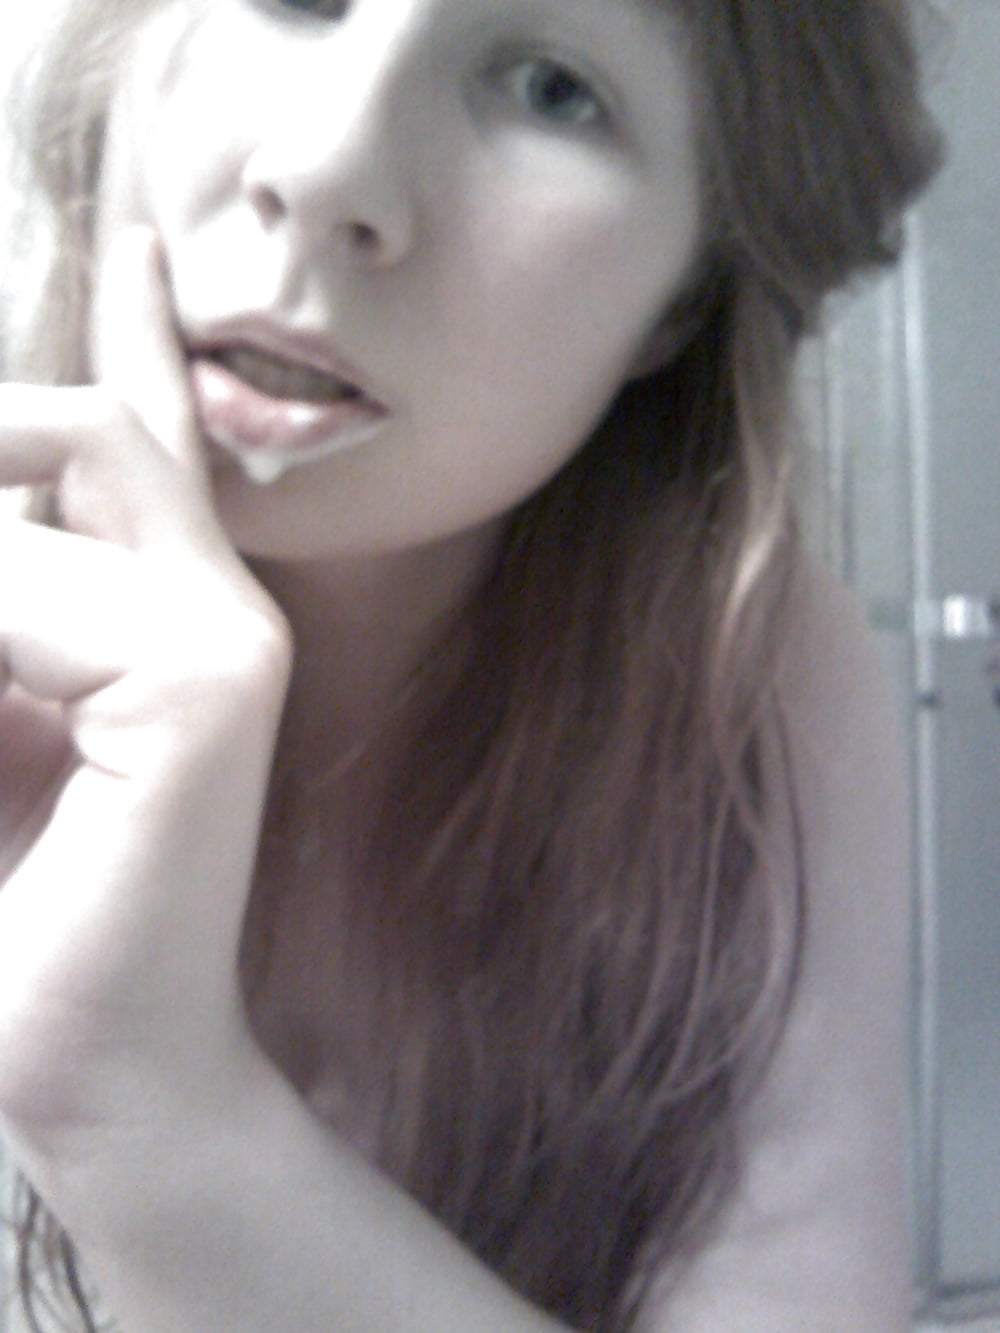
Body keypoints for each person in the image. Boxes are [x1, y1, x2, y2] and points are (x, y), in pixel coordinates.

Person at [0, 0, 939, 1329]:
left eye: (553, 88)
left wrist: (147, 1106)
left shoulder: (746, 678)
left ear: (679, 307)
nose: (326, 167)